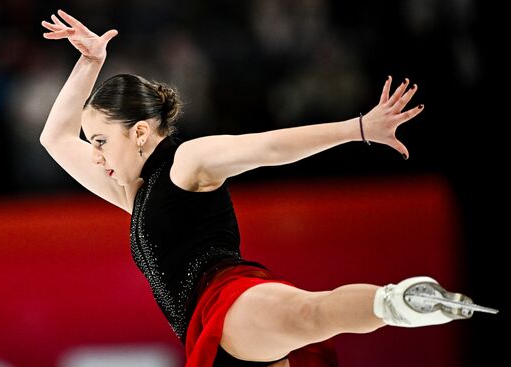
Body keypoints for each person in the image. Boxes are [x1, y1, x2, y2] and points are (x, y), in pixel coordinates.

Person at [39, 10, 497, 367]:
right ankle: (394, 303)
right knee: (308, 318)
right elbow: (54, 138)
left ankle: (401, 301)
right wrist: (90, 61)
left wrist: (357, 128)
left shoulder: (187, 162)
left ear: (139, 132)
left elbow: (270, 147)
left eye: (100, 141)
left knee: (309, 315)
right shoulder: (131, 194)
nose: (94, 154)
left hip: (229, 299)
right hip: (205, 339)